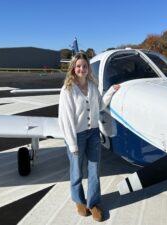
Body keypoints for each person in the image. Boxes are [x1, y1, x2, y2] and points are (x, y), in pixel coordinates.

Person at [58, 52, 119, 222]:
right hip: (75, 136)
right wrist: (72, 144)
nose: (81, 69)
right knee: (76, 171)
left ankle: (93, 203)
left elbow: (99, 106)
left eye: (84, 66)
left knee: (94, 171)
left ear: (88, 68)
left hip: (93, 134)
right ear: (73, 68)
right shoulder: (67, 89)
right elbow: (65, 119)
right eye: (78, 66)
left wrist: (111, 92)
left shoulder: (92, 86)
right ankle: (79, 200)